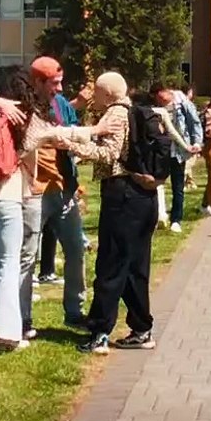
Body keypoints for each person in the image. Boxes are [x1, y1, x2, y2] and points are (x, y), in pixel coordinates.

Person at [0, 56, 90, 335]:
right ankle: (21, 319)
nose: (59, 89)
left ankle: (74, 311)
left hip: (62, 189)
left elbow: (68, 132)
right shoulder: (16, 103)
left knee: (75, 251)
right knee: (25, 256)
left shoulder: (60, 106)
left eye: (61, 83)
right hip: (32, 193)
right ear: (37, 81)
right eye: (54, 83)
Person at [48, 72, 160, 355]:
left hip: (122, 195)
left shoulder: (115, 114)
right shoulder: (132, 111)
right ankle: (141, 328)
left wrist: (70, 145)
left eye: (96, 92)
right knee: (135, 266)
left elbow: (109, 154)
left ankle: (100, 332)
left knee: (110, 264)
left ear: (108, 94)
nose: (92, 96)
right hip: (143, 197)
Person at [151, 82, 202, 233]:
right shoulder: (156, 106)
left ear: (164, 92)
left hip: (178, 150)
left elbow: (194, 122)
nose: (159, 101)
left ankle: (176, 219)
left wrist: (196, 142)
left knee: (177, 186)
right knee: (156, 183)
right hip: (161, 150)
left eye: (160, 97)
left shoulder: (181, 101)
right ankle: (159, 215)